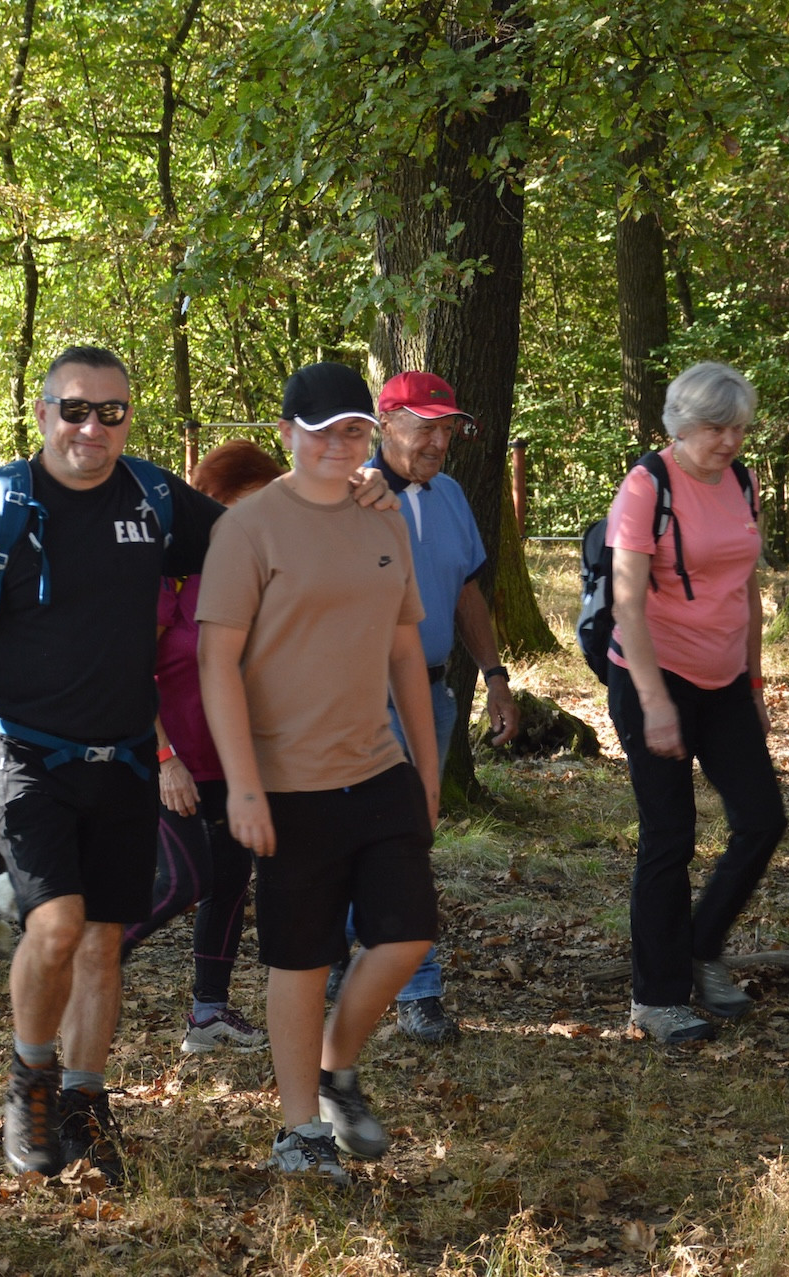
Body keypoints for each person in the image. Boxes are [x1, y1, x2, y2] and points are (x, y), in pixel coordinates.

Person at [0, 345, 227, 1187]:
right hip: (22, 753)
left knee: (102, 942)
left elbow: (254, 535)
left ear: (128, 417)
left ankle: (87, 1102)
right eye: (75, 409)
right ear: (45, 413)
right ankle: (31, 1082)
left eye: (111, 412)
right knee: (54, 924)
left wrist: (355, 491)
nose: (93, 427)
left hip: (122, 757)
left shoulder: (155, 500)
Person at [198, 361, 442, 1185]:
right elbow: (216, 663)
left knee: (406, 934)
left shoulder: (383, 518)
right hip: (287, 781)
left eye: (354, 430)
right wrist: (242, 784)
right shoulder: (248, 528)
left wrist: (427, 767)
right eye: (322, 430)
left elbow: (407, 648)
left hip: (377, 769)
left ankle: (339, 1064)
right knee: (298, 961)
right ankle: (299, 1127)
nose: (340, 444)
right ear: (286, 434)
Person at [331, 370, 521, 1045]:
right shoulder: (346, 496)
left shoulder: (450, 496)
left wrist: (496, 675)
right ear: (386, 422)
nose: (439, 440)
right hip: (359, 696)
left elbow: (467, 592)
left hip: (434, 696)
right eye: (425, 425)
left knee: (396, 839)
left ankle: (335, 946)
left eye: (447, 428)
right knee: (396, 843)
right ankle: (418, 988)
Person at [605, 360, 785, 1045]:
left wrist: (755, 683)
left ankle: (700, 947)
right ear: (680, 425)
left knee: (762, 819)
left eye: (738, 427)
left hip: (725, 680)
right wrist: (653, 703)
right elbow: (628, 602)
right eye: (716, 427)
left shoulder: (743, 481)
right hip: (654, 675)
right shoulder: (647, 485)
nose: (730, 440)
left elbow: (745, 591)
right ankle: (655, 999)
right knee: (670, 835)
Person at [121, 440, 285, 1055]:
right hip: (168, 755)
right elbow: (130, 668)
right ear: (214, 501)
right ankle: (77, 962)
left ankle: (208, 1014)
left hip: (234, 757)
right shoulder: (174, 571)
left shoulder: (259, 570)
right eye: (250, 504)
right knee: (184, 880)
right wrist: (165, 759)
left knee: (230, 880)